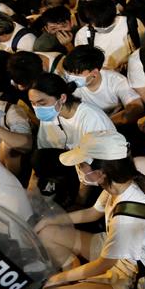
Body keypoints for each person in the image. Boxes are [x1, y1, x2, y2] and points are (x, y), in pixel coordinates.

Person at [34, 131, 145, 289]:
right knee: (47, 232)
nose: (78, 168)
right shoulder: (119, 184)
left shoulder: (127, 212)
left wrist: (58, 278)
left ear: (102, 171)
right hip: (115, 252)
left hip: (135, 275)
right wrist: (53, 220)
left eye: (81, 164)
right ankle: (78, 276)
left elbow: (104, 264)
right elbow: (92, 213)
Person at [28, 73, 115, 205]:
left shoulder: (91, 118)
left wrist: (78, 204)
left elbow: (92, 167)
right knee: (39, 157)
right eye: (33, 104)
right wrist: (31, 190)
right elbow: (43, 153)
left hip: (99, 172)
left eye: (42, 103)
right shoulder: (51, 115)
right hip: (73, 165)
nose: (37, 109)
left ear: (62, 98)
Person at [62, 45, 144, 126]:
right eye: (68, 73)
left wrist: (103, 123)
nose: (70, 77)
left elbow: (136, 109)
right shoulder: (68, 84)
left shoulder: (116, 81)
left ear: (94, 73)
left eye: (76, 74)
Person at [73, 0, 136, 72]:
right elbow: (85, 62)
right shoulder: (82, 34)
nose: (103, 27)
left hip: (133, 68)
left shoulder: (129, 22)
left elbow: (142, 45)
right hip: (105, 75)